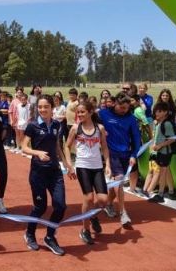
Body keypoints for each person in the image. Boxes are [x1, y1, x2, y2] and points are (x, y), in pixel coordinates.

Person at [21, 95, 67, 256]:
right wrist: (37, 153)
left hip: (55, 171)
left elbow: (57, 146)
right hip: (38, 172)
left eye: (45, 107)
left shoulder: (57, 124)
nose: (42, 110)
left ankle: (49, 236)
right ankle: (30, 234)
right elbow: (24, 147)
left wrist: (67, 164)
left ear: (52, 107)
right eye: (40, 107)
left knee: (60, 206)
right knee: (40, 207)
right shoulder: (33, 125)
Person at [63, 102, 110, 245]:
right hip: (83, 166)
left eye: (83, 112)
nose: (80, 115)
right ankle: (85, 230)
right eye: (78, 112)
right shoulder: (75, 128)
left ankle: (93, 216)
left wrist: (108, 165)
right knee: (89, 198)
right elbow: (67, 146)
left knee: (103, 200)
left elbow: (105, 148)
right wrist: (69, 165)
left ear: (90, 112)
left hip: (97, 167)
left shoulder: (99, 128)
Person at [99, 92, 141, 228]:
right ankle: (123, 212)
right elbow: (89, 122)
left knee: (116, 185)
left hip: (126, 154)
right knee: (120, 180)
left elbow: (136, 139)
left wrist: (134, 155)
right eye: (122, 107)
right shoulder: (103, 114)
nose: (124, 110)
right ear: (115, 103)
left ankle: (108, 204)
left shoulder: (131, 119)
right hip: (112, 154)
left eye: (127, 108)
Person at [147, 102, 176, 203]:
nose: (157, 113)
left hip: (165, 152)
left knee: (163, 172)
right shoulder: (160, 123)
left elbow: (172, 139)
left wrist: (160, 146)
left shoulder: (167, 124)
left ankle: (160, 194)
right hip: (161, 151)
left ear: (165, 112)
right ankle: (170, 192)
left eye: (159, 111)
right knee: (164, 171)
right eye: (156, 111)